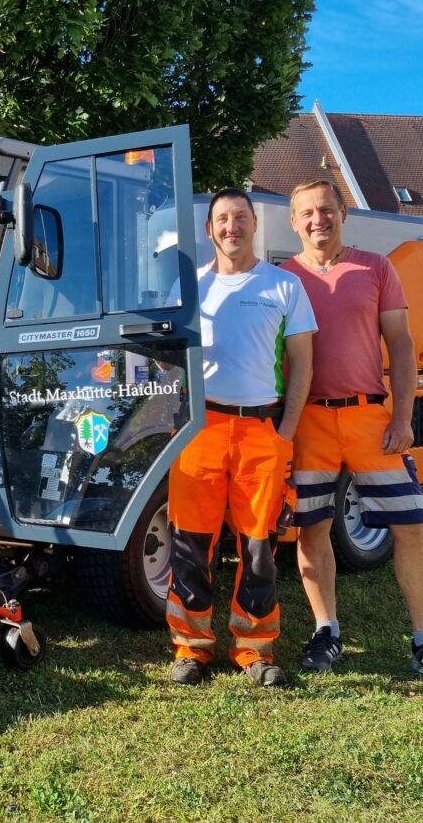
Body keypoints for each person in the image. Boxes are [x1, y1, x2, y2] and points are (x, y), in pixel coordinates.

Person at [281, 180, 423, 690]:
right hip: (310, 423)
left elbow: (402, 348)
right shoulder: (282, 278)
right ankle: (326, 632)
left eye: (326, 210)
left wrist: (403, 418)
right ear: (293, 222)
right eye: (307, 213)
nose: (318, 219)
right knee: (311, 529)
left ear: (343, 214)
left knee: (411, 528)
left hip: (370, 419)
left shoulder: (375, 267)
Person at [166, 189, 316, 687]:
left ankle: (254, 649)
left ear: (256, 225)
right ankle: (192, 648)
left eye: (241, 218)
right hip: (199, 430)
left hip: (262, 431)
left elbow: (303, 366)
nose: (232, 227)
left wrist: (286, 435)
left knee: (257, 546)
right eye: (222, 220)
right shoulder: (189, 289)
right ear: (209, 229)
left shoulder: (285, 286)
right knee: (191, 543)